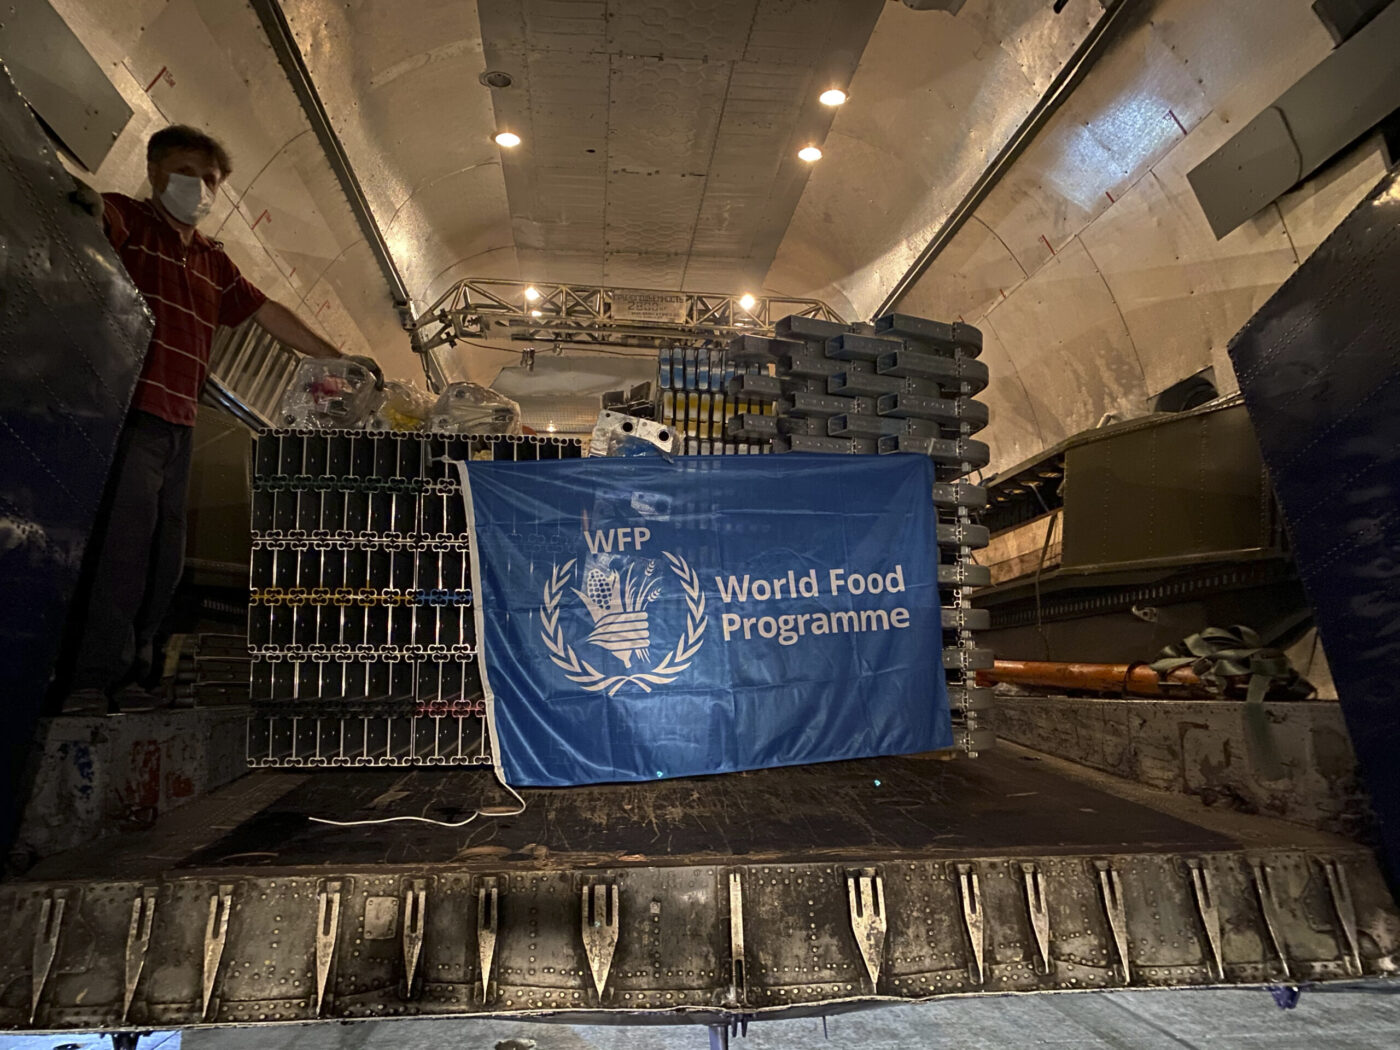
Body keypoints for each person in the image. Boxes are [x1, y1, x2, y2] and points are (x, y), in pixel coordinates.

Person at [63, 124, 381, 714]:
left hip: (181, 421)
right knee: (122, 548)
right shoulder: (134, 220)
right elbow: (96, 214)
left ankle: (136, 675)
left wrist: (336, 359)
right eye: (186, 173)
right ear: (156, 171)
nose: (198, 187)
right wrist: (79, 200)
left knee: (165, 556)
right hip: (132, 412)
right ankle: (87, 679)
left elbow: (265, 311)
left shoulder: (212, 260)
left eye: (209, 180)